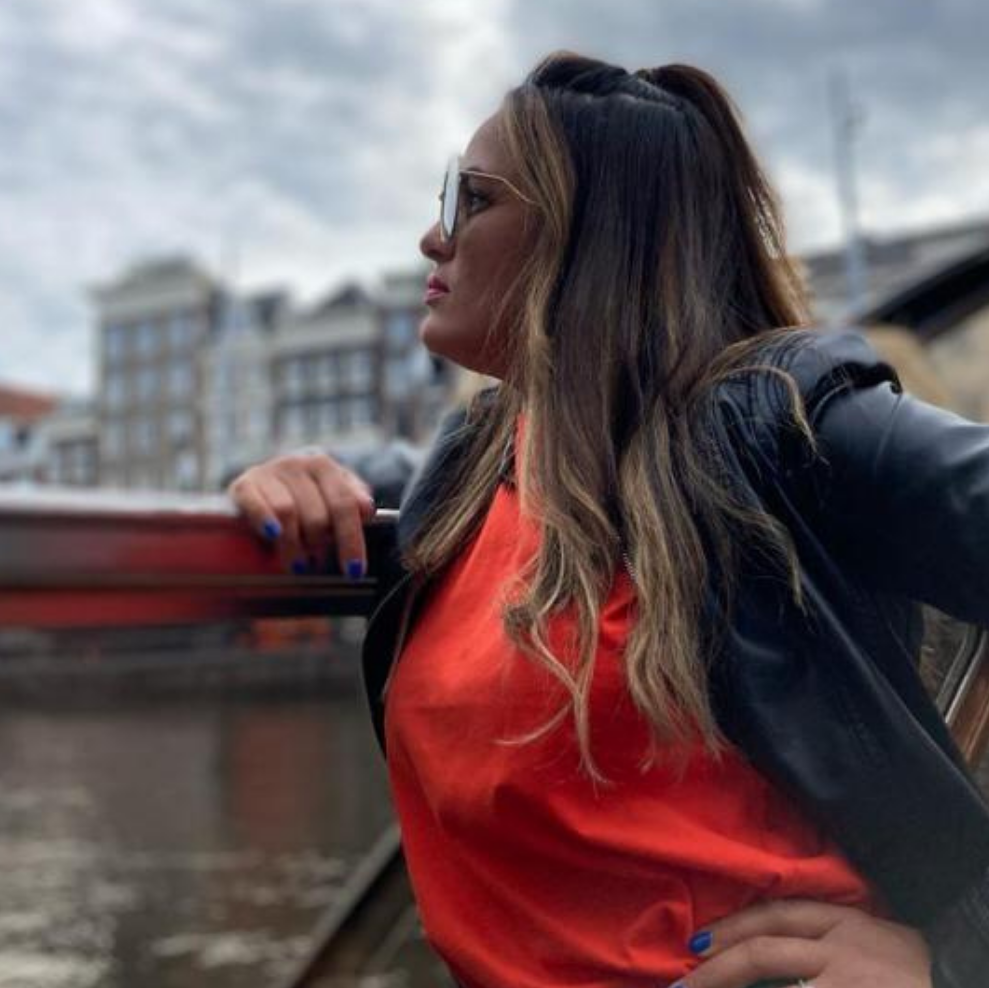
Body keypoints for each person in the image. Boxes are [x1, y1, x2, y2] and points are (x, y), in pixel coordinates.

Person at [228, 52, 989, 988]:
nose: (432, 238)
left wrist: (953, 961)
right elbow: (349, 489)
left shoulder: (780, 423)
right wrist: (282, 481)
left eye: (472, 199)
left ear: (590, 234)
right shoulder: (473, 464)